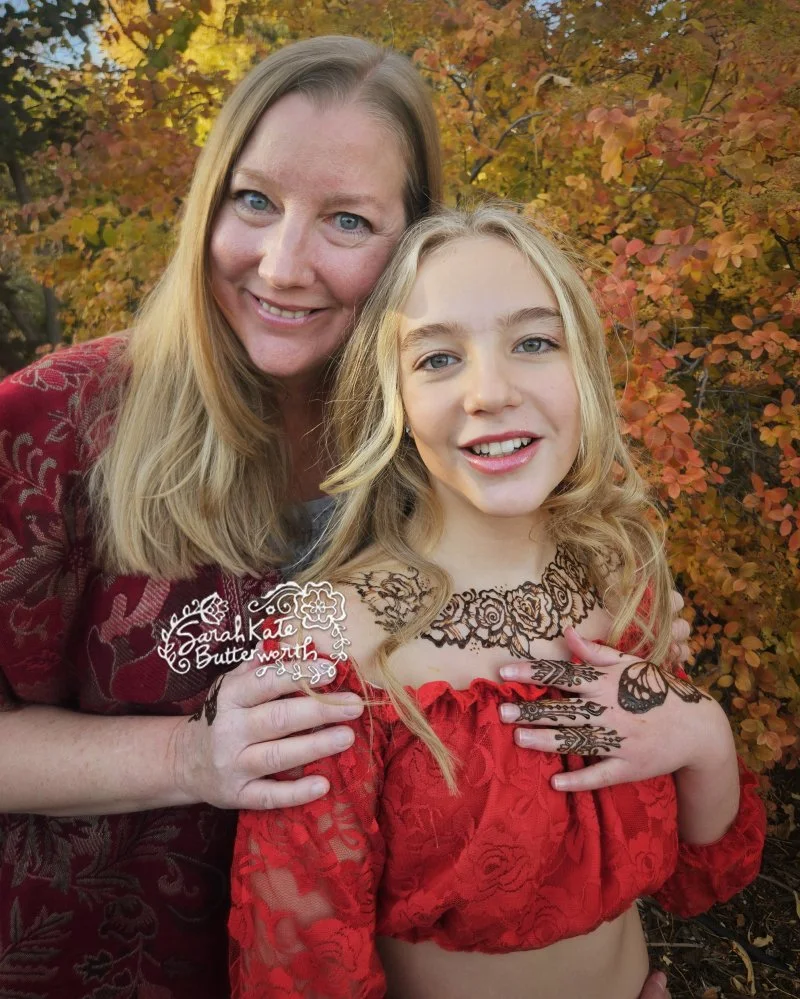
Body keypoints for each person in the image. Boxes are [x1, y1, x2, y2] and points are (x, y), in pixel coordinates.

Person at [0, 35, 684, 999]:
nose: (281, 264)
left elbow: (544, 727)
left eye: (348, 220)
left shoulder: (456, 437)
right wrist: (190, 755)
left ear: (413, 243)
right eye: (255, 201)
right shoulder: (43, 428)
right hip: (105, 954)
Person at [229, 204, 766, 999]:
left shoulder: (623, 572)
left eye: (534, 342)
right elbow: (301, 963)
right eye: (439, 359)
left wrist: (707, 736)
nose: (490, 391)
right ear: (395, 399)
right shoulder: (329, 641)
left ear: (582, 364)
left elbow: (700, 868)